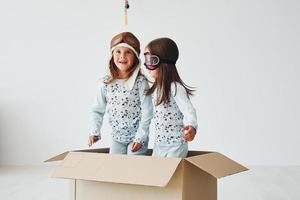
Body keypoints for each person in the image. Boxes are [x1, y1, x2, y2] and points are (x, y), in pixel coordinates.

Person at [88, 32, 153, 155]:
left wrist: (140, 137)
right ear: (112, 54)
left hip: (137, 138)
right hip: (116, 139)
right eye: (118, 51)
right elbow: (97, 110)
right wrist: (94, 131)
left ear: (135, 56)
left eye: (128, 52)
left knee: (132, 169)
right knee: (115, 170)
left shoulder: (141, 82)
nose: (122, 56)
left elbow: (147, 112)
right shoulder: (105, 83)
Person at [144, 37, 198, 158]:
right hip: (159, 145)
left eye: (151, 60)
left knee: (171, 175)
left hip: (175, 145)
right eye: (146, 60)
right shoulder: (156, 88)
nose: (147, 65)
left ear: (163, 62)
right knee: (156, 174)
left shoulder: (175, 87)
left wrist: (192, 126)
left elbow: (188, 110)